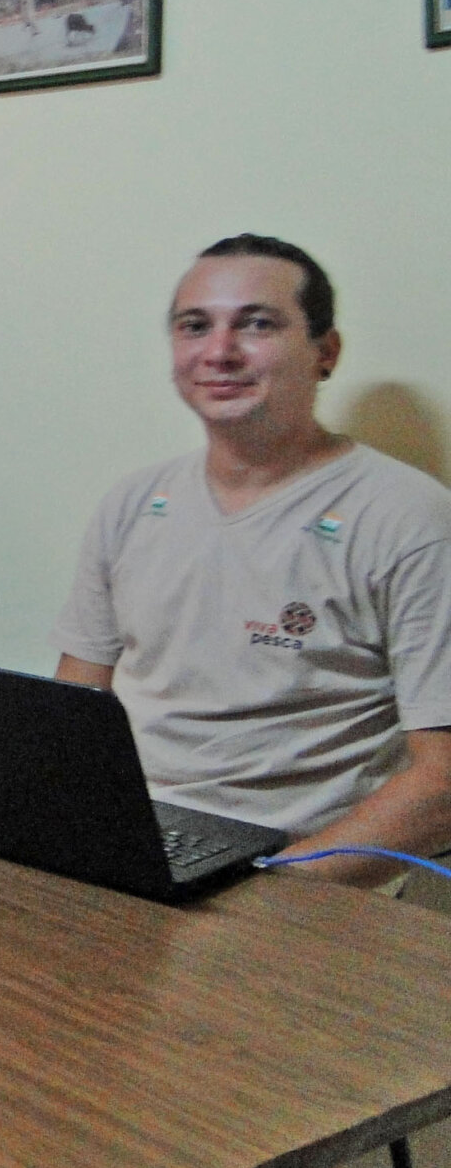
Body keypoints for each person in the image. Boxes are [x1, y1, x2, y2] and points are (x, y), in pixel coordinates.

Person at [51, 235, 451, 888]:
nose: (219, 351)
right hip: (132, 854)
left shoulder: (410, 519)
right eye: (194, 326)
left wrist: (268, 888)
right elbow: (73, 706)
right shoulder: (132, 502)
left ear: (326, 352)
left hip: (302, 883)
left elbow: (443, 785)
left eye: (257, 324)